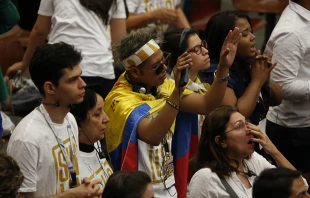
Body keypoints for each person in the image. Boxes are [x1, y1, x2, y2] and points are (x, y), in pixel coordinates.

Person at [104, 26, 241, 197]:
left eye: (164, 61)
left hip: (170, 184)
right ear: (134, 72)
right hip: (143, 191)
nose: (164, 70)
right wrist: (177, 91)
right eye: (157, 67)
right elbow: (153, 135)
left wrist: (223, 67)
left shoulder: (162, 85)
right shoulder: (120, 100)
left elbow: (207, 105)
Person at [7, 42, 102, 197]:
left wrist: (85, 188)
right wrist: (73, 195)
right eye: (73, 80)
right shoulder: (27, 138)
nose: (83, 84)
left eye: (80, 76)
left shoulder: (70, 120)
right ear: (50, 88)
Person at [6, 0, 126, 99]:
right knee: (96, 124)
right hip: (103, 70)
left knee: (61, 123)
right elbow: (119, 41)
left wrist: (24, 62)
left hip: (63, 70)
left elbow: (39, 31)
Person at [188, 105, 299, 198]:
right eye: (239, 126)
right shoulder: (206, 178)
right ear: (221, 141)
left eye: (247, 123)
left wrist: (273, 150)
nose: (249, 130)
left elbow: (299, 186)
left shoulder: (253, 160)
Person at [203, 10, 283, 125]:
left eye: (251, 31)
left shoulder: (246, 63)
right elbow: (236, 115)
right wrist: (256, 81)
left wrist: (265, 78)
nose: (253, 37)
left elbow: (278, 99)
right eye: (245, 34)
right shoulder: (216, 71)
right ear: (225, 41)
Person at [162, 28, 211, 197]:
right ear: (181, 58)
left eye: (203, 45)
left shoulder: (199, 84)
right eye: (196, 49)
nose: (205, 51)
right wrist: (224, 68)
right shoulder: (170, 88)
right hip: (181, 162)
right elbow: (208, 105)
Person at [265, 0, 310, 181]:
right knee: (299, 189)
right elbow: (282, 87)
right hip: (294, 131)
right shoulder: (291, 32)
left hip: (303, 125)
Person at [70, 88, 113, 188]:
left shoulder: (96, 142)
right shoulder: (72, 163)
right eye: (97, 114)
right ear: (77, 123)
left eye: (104, 111)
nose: (107, 119)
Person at [126, 0, 190, 33]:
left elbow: (176, 10)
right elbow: (124, 24)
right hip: (138, 45)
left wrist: (192, 36)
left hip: (162, 42)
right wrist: (152, 16)